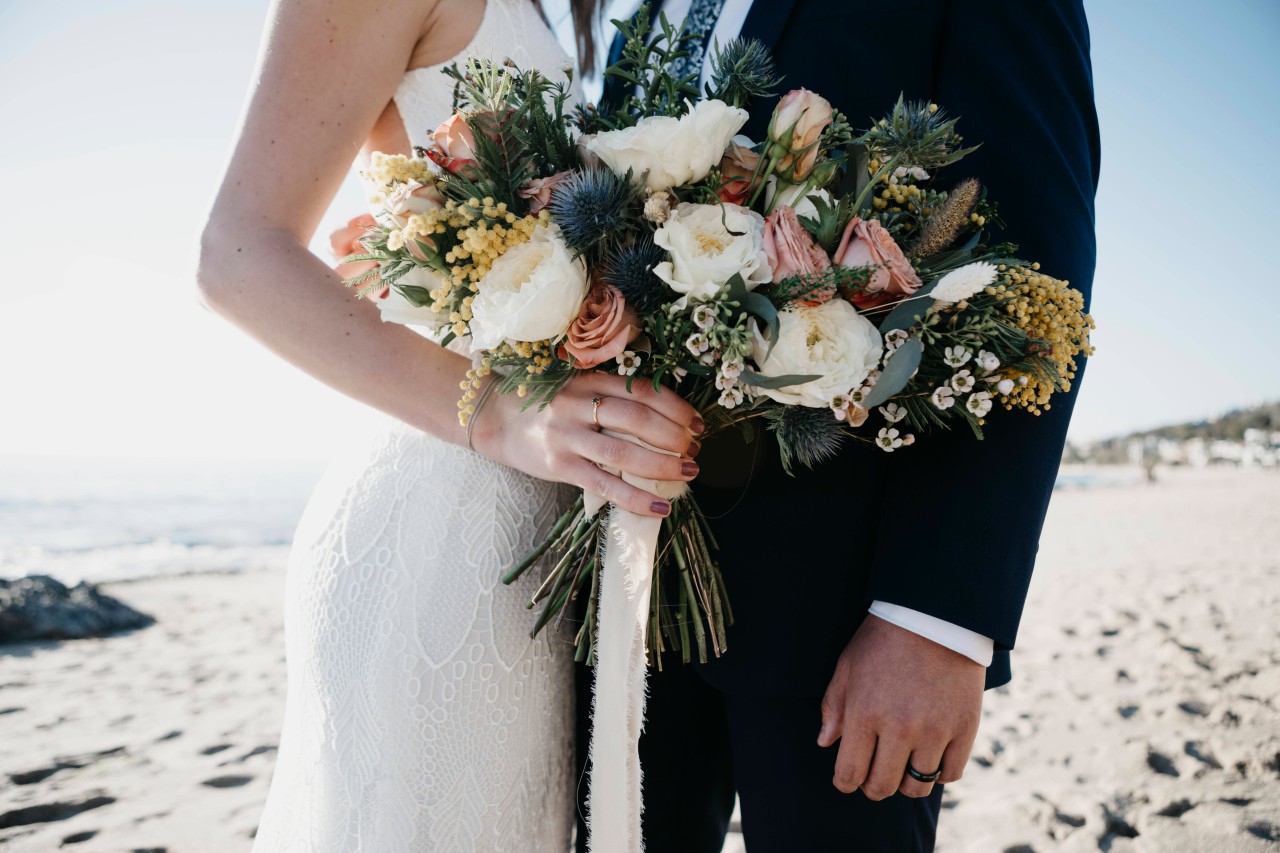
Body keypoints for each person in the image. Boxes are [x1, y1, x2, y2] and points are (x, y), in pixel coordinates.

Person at [573, 1, 1102, 851]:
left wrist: (935, 618)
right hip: (622, 592)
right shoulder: (640, 24)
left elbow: (1034, 278)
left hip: (846, 622)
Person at [196, 0, 696, 849]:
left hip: (536, 560)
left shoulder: (571, 13)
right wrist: (499, 413)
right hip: (439, 532)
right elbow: (236, 252)